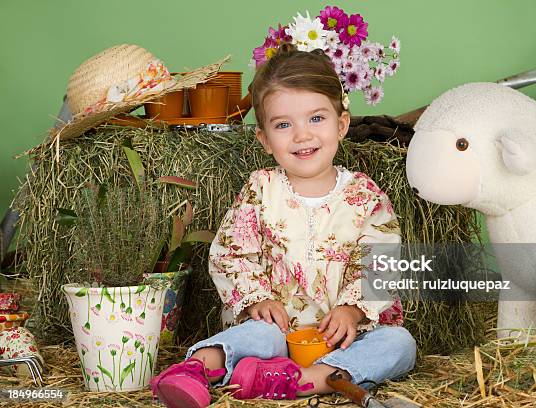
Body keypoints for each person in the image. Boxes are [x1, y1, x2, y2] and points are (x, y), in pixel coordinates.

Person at [150, 43, 417, 408]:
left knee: (400, 345)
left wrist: (352, 311)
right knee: (261, 337)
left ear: (342, 125)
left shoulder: (365, 196)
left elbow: (381, 261)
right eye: (283, 125)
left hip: (340, 338)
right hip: (276, 331)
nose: (302, 135)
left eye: (316, 119)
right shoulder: (262, 189)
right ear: (264, 138)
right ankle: (195, 370)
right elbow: (231, 251)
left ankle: (304, 381)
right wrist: (257, 299)